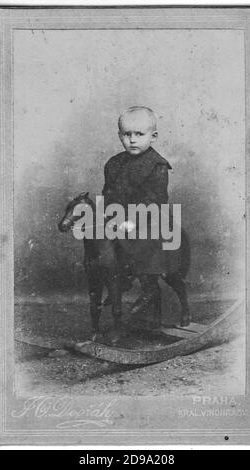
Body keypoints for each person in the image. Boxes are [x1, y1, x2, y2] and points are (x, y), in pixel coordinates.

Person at [101, 106, 172, 326]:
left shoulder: (157, 166)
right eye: (127, 134)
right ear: (120, 135)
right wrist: (112, 216)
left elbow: (156, 198)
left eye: (139, 134)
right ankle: (119, 282)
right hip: (120, 218)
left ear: (153, 136)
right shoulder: (114, 164)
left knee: (143, 244)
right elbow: (109, 193)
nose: (132, 140)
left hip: (149, 218)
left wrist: (134, 220)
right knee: (104, 246)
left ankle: (149, 289)